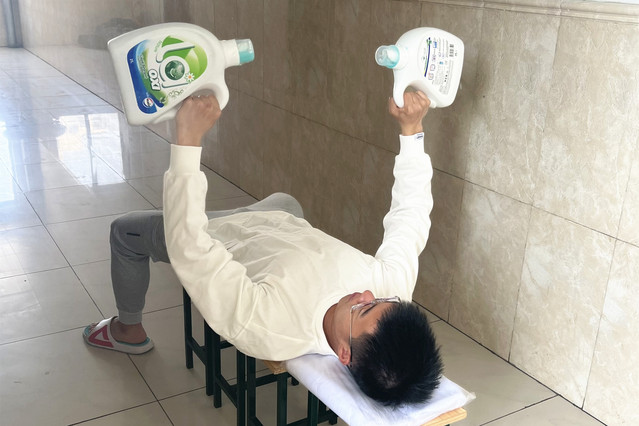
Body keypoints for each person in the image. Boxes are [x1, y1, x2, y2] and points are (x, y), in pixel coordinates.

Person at [84, 90, 443, 407]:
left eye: (364, 309)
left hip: (216, 234)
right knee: (287, 201)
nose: (367, 293)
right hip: (276, 220)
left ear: (344, 353)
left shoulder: (271, 326)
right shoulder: (392, 293)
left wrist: (188, 141)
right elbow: (410, 215)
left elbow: (190, 247)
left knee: (124, 231)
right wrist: (412, 129)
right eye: (383, 300)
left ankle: (128, 331)